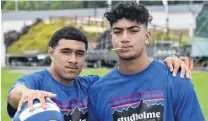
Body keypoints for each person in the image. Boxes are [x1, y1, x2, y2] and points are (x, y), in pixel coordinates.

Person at [7, 26, 191, 121]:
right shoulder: (37, 81)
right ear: (51, 52)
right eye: (65, 52)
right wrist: (27, 94)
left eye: (79, 54)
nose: (73, 59)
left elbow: (127, 79)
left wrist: (164, 64)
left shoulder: (92, 85)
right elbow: (15, 93)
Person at [88, 1, 205, 121]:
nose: (124, 38)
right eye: (118, 32)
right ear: (111, 38)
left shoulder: (175, 80)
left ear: (147, 37)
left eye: (133, 31)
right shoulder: (98, 91)